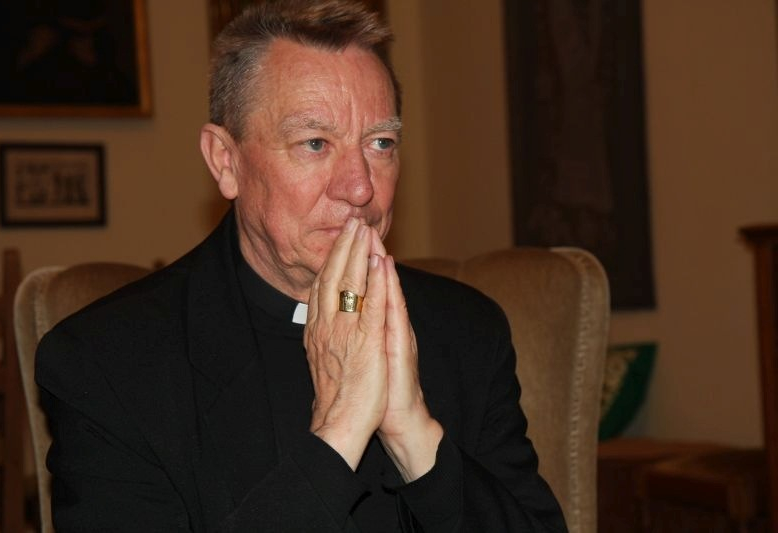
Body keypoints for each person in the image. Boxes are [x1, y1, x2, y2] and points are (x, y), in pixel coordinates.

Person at [36, 1, 567, 531]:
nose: (360, 187)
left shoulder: (467, 332)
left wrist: (414, 436)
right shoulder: (108, 364)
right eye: (315, 143)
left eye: (380, 143)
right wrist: (340, 431)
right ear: (226, 161)